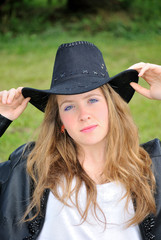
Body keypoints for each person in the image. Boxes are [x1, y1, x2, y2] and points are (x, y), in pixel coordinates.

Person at [0, 41, 161, 240]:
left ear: (113, 108)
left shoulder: (152, 168)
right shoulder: (28, 171)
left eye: (92, 100)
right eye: (69, 106)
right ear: (60, 121)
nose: (83, 115)